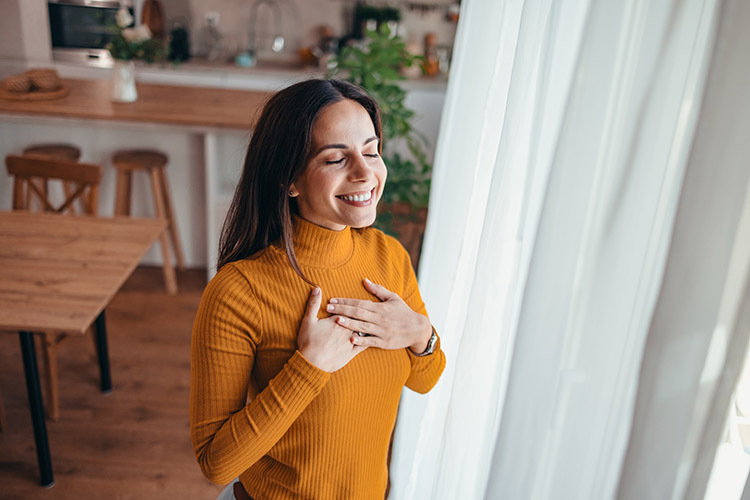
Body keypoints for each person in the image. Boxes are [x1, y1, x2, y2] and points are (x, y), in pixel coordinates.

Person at [190, 78, 446, 500]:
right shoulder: (238, 292)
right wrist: (309, 367)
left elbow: (425, 378)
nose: (365, 173)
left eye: (371, 151)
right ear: (289, 179)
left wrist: (421, 335)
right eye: (335, 159)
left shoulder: (389, 257)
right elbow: (216, 463)